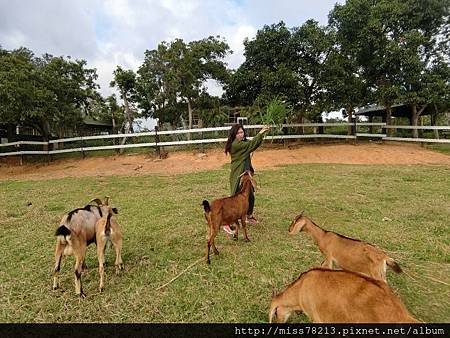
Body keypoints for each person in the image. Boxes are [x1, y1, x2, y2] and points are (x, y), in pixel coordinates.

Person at [223, 124, 271, 234]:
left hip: (246, 174)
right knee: (234, 200)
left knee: (250, 196)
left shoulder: (242, 144)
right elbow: (251, 145)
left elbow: (253, 145)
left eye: (242, 132)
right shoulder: (236, 145)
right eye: (239, 133)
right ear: (234, 135)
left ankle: (248, 216)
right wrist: (260, 133)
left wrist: (261, 135)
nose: (241, 134)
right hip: (238, 175)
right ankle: (226, 223)